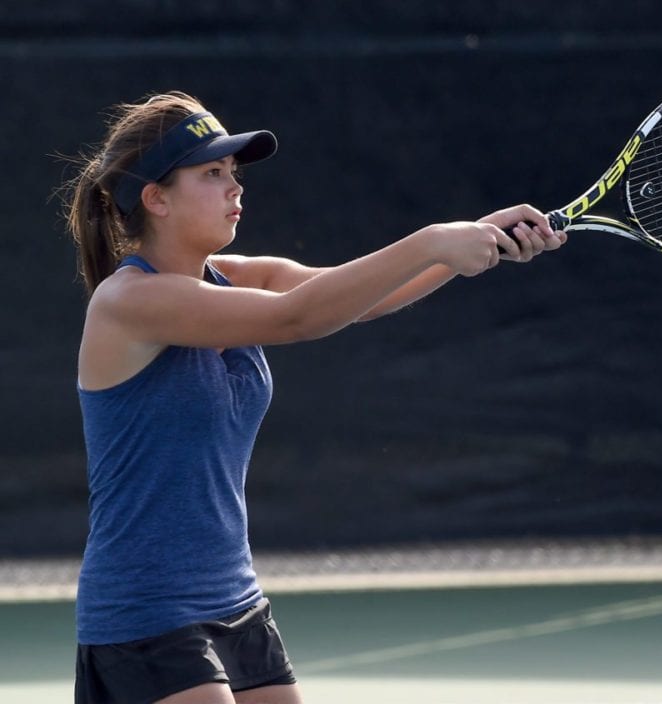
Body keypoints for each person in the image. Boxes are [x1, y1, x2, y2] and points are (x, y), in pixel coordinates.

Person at [61, 90, 566, 704]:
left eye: (235, 173)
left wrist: (474, 246)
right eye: (212, 173)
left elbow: (358, 298)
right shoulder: (127, 303)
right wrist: (435, 240)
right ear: (155, 198)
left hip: (236, 601)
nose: (235, 188)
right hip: (144, 614)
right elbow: (296, 319)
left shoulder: (241, 276)